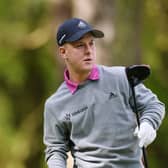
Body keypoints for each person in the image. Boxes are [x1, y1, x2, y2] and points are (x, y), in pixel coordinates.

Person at [43, 18, 165, 168]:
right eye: (80, 45)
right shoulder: (55, 105)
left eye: (91, 43)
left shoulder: (121, 77)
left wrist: (149, 123)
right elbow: (56, 149)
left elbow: (153, 105)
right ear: (63, 52)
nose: (88, 50)